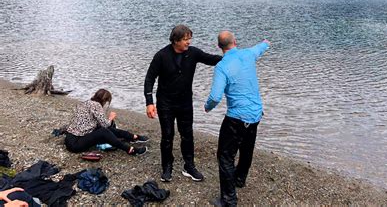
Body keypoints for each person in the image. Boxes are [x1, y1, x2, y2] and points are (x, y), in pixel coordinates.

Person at [144, 24, 222, 182]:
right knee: (167, 136)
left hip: (185, 102)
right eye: (186, 39)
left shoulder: (193, 53)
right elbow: (149, 79)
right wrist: (149, 102)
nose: (189, 42)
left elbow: (212, 59)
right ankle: (167, 166)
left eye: (189, 38)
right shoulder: (161, 55)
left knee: (187, 135)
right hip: (165, 103)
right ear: (175, 40)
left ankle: (189, 166)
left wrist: (232, 57)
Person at [204, 31, 270, 207]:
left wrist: (207, 107)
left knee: (225, 156)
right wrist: (266, 42)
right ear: (235, 42)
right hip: (255, 115)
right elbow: (260, 48)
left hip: (236, 119)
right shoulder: (248, 54)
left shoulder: (222, 66)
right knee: (247, 149)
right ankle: (240, 179)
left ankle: (229, 200)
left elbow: (215, 96)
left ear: (219, 47)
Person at [65, 89, 148, 156]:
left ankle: (132, 137)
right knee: (104, 130)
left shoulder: (86, 103)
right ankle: (129, 149)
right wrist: (111, 118)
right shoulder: (96, 105)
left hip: (71, 139)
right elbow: (105, 124)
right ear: (105, 100)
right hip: (75, 143)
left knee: (103, 129)